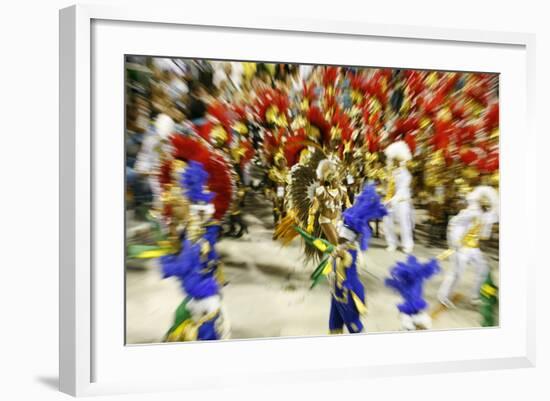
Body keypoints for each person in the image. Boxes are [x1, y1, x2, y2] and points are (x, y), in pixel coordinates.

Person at [437, 185, 499, 308]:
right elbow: (453, 223)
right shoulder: (470, 212)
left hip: (474, 248)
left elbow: (491, 220)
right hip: (462, 248)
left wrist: (495, 207)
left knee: (483, 269)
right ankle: (443, 296)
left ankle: (475, 296)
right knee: (456, 273)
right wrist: (454, 242)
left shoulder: (484, 214)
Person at [382, 140, 415, 253]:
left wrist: (393, 200)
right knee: (387, 222)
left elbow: (402, 190)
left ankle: (407, 245)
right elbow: (388, 187)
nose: (393, 162)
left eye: (396, 160)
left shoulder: (406, 174)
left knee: (404, 223)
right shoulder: (392, 173)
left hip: (401, 201)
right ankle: (392, 243)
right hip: (390, 201)